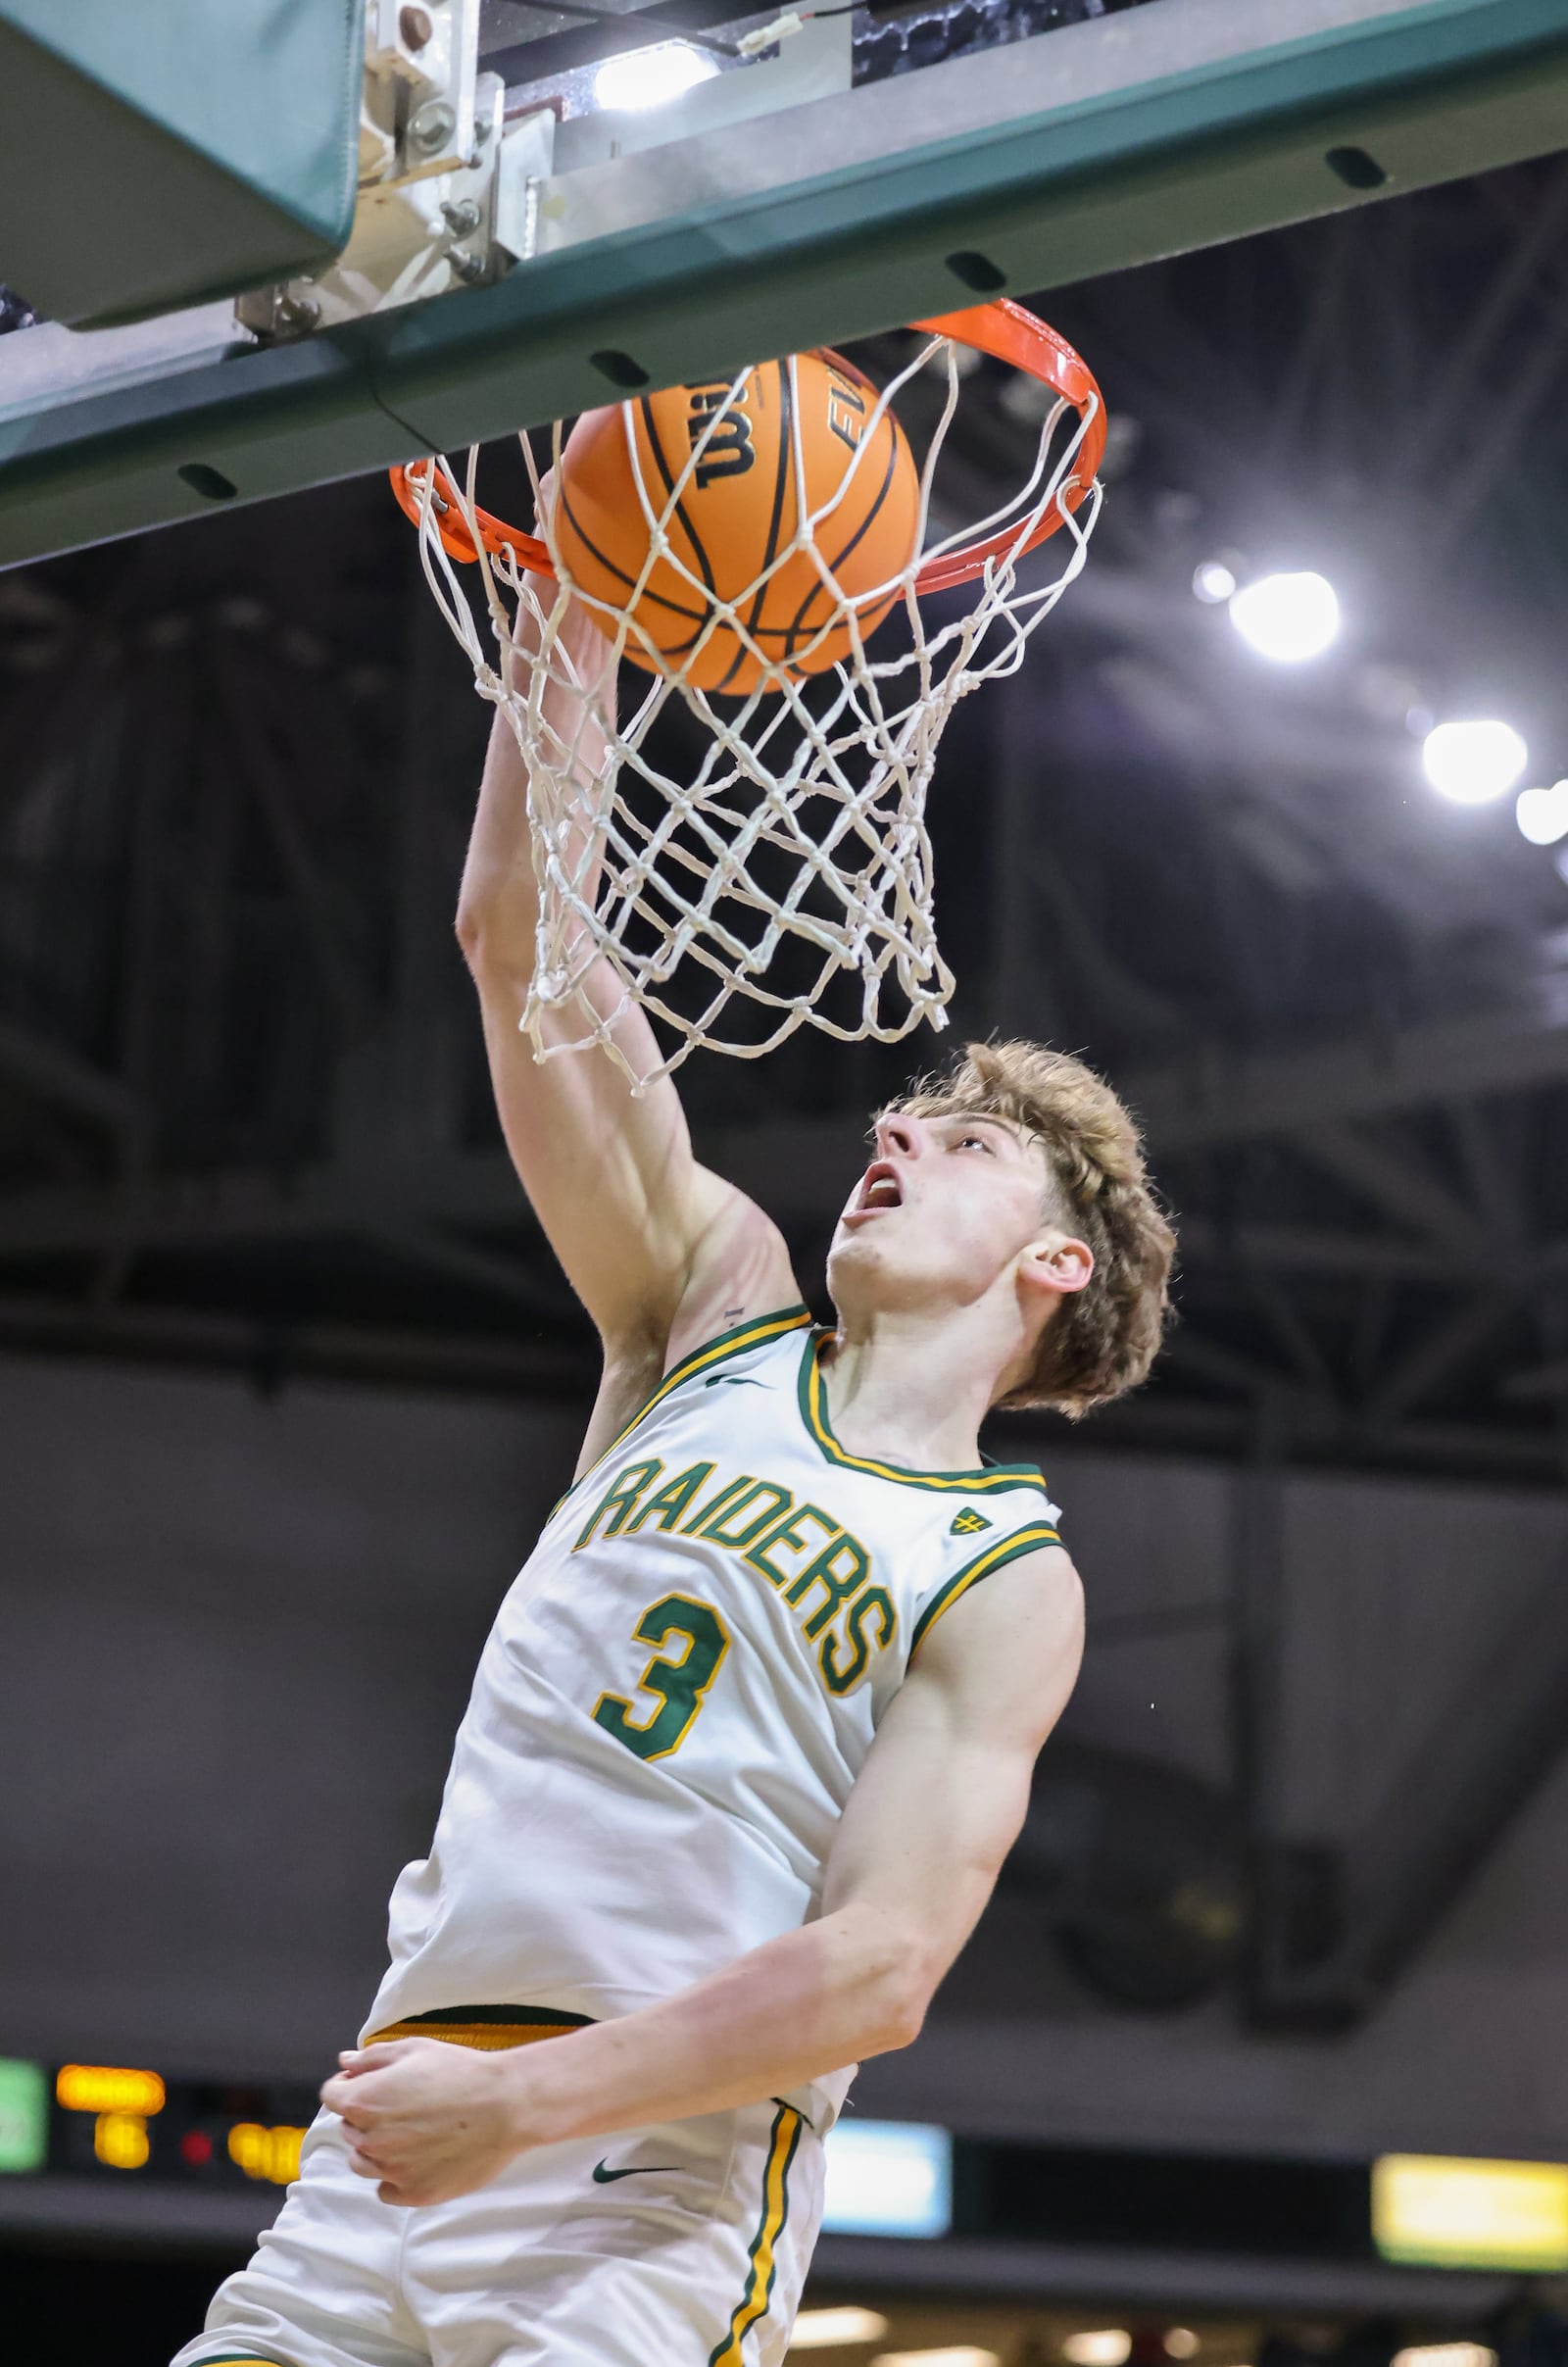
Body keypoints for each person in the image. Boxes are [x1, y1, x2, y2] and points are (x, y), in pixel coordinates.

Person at [175, 587, 1174, 2367]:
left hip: (651, 2171)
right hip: (393, 2122)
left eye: (967, 1144)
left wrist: (542, 2104)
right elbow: (519, 934)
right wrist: (574, 586)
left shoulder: (1005, 1571)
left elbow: (881, 1972)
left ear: (1064, 1266)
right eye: (902, 1117)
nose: (894, 1133)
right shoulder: (705, 1318)